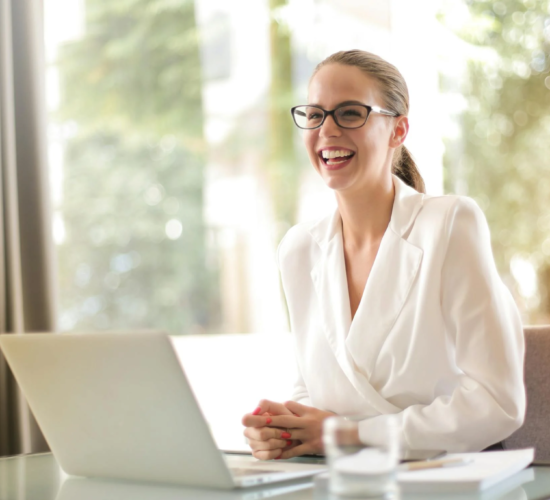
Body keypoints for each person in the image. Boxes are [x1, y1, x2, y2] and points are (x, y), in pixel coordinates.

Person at [241, 50, 525, 460]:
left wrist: (349, 434)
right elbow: (314, 385)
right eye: (315, 114)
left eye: (350, 113)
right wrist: (285, 429)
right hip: (347, 479)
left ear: (398, 129)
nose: (327, 129)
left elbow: (498, 403)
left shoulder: (449, 224)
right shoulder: (298, 249)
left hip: (445, 475)